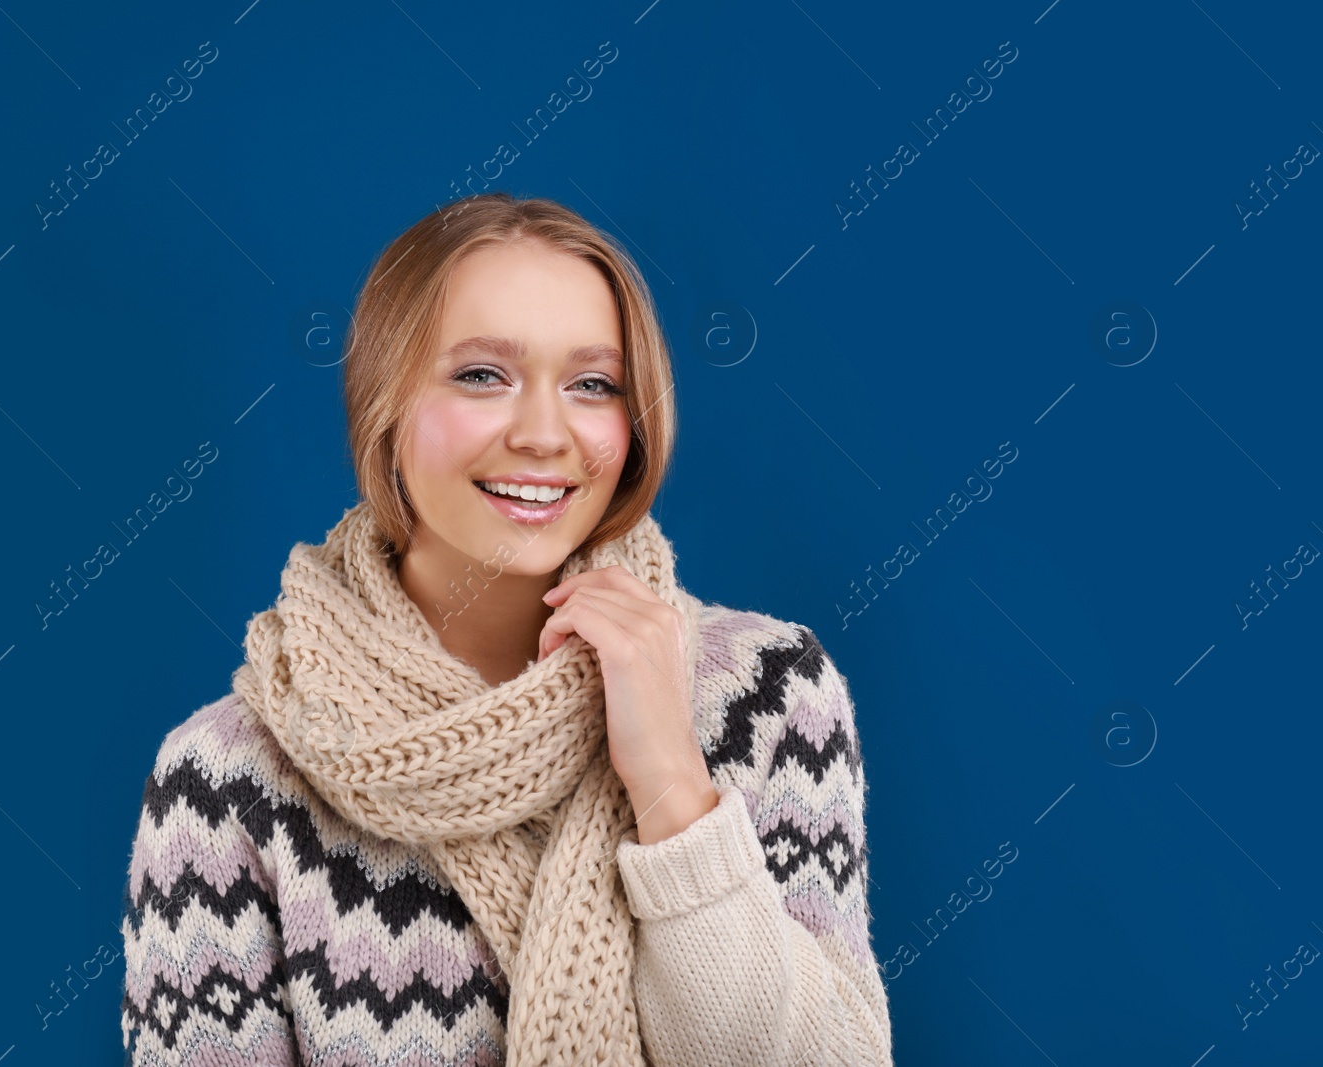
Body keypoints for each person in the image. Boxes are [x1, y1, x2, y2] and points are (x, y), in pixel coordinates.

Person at [119, 192, 893, 1065]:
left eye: (593, 384)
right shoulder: (228, 780)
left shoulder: (766, 697)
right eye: (481, 375)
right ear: (387, 401)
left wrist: (673, 787)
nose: (542, 433)